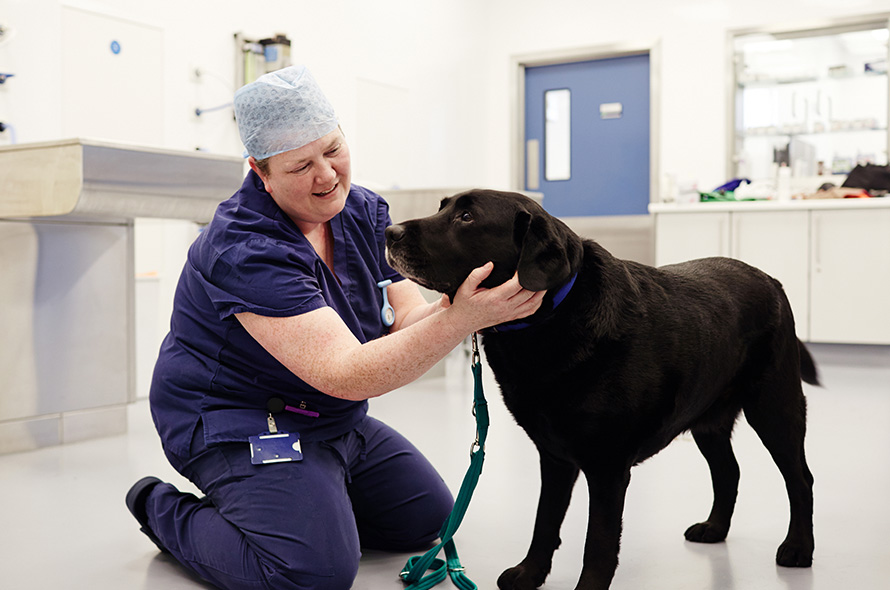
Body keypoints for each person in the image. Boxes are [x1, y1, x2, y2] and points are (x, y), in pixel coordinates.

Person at [125, 65, 544, 590]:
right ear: (261, 172)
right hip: (240, 419)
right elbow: (345, 374)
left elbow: (408, 319)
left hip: (328, 417)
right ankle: (158, 506)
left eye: (333, 149)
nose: (326, 175)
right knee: (313, 574)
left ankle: (308, 491)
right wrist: (464, 319)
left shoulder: (360, 211)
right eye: (301, 165)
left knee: (427, 520)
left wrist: (462, 305)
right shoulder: (245, 249)